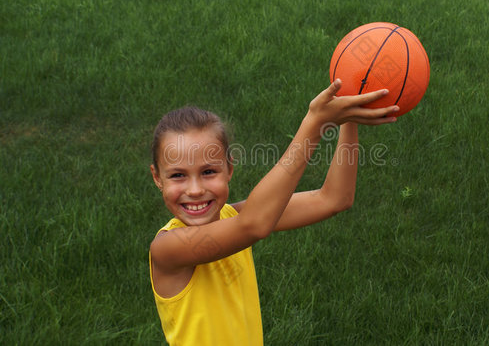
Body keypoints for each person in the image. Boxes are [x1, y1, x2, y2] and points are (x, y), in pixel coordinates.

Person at [148, 79, 399, 345]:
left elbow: (334, 198)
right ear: (157, 178)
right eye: (178, 175)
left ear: (229, 169)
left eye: (208, 172)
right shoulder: (167, 249)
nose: (195, 189)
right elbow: (254, 224)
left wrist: (349, 118)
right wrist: (315, 123)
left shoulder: (233, 217)